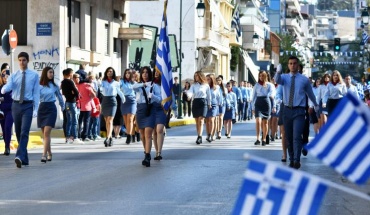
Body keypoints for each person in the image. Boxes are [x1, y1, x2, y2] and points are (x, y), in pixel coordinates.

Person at [274, 56, 318, 169]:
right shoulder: (284, 78)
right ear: (288, 65)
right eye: (290, 63)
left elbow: (310, 94)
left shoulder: (304, 79)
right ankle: (292, 158)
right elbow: (277, 80)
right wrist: (278, 72)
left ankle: (297, 160)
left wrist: (315, 105)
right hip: (287, 110)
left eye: (294, 63)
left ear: (298, 65)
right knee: (288, 136)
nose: (292, 65)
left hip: (299, 110)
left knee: (296, 136)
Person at [1, 52, 40, 168]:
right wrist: (4, 88)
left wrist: (36, 109)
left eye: (24, 60)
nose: (22, 62)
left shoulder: (34, 75)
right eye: (20, 60)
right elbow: (9, 86)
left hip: (28, 105)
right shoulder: (14, 75)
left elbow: (36, 93)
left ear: (28, 61)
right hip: (16, 105)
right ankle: (25, 158)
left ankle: (18, 155)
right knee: (18, 132)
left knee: (24, 131)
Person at [38, 67, 65, 163]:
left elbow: (60, 97)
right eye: (50, 72)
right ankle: (49, 153)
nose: (51, 74)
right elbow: (35, 97)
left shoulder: (54, 85)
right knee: (44, 134)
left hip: (51, 109)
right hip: (42, 109)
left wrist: (63, 107)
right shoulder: (39, 85)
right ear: (45, 73)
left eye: (52, 73)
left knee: (47, 133)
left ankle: (44, 155)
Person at [133, 66, 156, 167]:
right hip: (140, 110)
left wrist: (153, 96)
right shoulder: (138, 85)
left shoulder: (154, 85)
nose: (145, 74)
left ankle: (147, 156)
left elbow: (159, 99)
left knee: (148, 134)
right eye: (143, 72)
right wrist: (143, 84)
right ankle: (145, 151)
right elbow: (131, 87)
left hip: (150, 109)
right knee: (142, 134)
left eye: (147, 72)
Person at [100, 67, 125, 147]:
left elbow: (119, 91)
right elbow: (101, 90)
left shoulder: (116, 83)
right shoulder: (103, 82)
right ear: (106, 73)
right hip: (105, 101)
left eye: (111, 71)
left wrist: (123, 99)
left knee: (110, 120)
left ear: (113, 73)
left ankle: (107, 137)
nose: (109, 73)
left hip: (112, 101)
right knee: (106, 121)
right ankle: (110, 137)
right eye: (108, 71)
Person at [186, 71, 211, 144]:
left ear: (200, 76)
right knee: (197, 121)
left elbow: (209, 96)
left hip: (203, 102)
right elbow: (190, 92)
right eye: (195, 76)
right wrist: (189, 96)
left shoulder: (206, 85)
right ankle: (198, 135)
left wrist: (209, 104)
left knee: (201, 120)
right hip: (196, 102)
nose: (196, 77)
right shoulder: (194, 85)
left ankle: (200, 137)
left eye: (197, 76)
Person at [252, 71, 274, 146]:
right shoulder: (256, 85)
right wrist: (252, 107)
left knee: (265, 122)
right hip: (258, 103)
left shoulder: (269, 85)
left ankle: (264, 138)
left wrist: (271, 95)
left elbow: (273, 92)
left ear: (265, 76)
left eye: (262, 76)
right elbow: (253, 97)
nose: (261, 77)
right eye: (260, 76)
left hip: (266, 103)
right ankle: (258, 138)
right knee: (258, 121)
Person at [61, 69, 83, 144]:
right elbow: (76, 91)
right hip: (72, 103)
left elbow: (64, 92)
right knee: (74, 121)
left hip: (67, 102)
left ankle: (68, 137)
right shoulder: (70, 81)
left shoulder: (63, 82)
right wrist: (76, 94)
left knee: (69, 121)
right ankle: (75, 137)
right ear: (70, 74)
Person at [152, 70, 167, 160]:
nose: (156, 74)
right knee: (154, 131)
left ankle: (159, 152)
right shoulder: (151, 84)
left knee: (159, 129)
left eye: (158, 72)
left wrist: (172, 107)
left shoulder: (165, 84)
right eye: (155, 72)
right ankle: (156, 151)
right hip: (152, 108)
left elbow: (170, 95)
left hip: (162, 109)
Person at [76, 73, 96, 141]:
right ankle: (84, 135)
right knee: (86, 121)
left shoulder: (78, 85)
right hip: (87, 106)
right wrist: (90, 97)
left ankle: (78, 135)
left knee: (79, 121)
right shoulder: (87, 85)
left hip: (79, 105)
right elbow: (93, 95)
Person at [120, 69, 137, 144]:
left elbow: (139, 89)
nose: (127, 74)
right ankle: (132, 134)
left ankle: (129, 136)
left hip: (132, 101)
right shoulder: (121, 82)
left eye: (128, 73)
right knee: (126, 121)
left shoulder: (133, 82)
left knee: (130, 119)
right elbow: (117, 88)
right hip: (124, 101)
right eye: (126, 73)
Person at [0, 65, 13, 156]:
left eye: (7, 75)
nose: (5, 77)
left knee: (8, 127)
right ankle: (6, 145)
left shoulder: (12, 87)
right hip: (1, 111)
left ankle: (7, 147)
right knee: (4, 129)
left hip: (11, 110)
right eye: (4, 75)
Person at [205, 74, 221, 142]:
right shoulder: (205, 87)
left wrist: (219, 103)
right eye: (206, 79)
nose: (207, 80)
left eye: (209, 79)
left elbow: (219, 96)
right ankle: (208, 134)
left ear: (212, 80)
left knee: (212, 120)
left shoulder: (216, 87)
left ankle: (212, 134)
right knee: (207, 121)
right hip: (206, 104)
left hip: (214, 105)